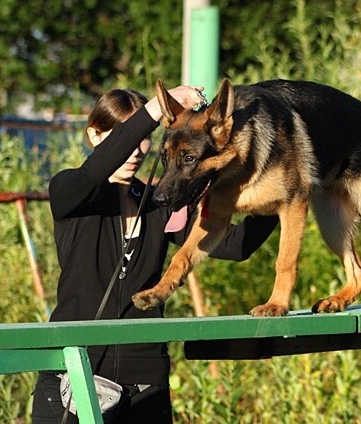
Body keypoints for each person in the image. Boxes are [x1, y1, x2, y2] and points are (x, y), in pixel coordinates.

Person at [32, 84, 279, 423]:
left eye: (144, 139)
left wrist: (281, 197)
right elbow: (96, 170)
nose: (135, 149)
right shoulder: (69, 192)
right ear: (93, 135)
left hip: (145, 378)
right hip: (71, 374)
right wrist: (153, 111)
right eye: (124, 136)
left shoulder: (160, 204)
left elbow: (235, 246)